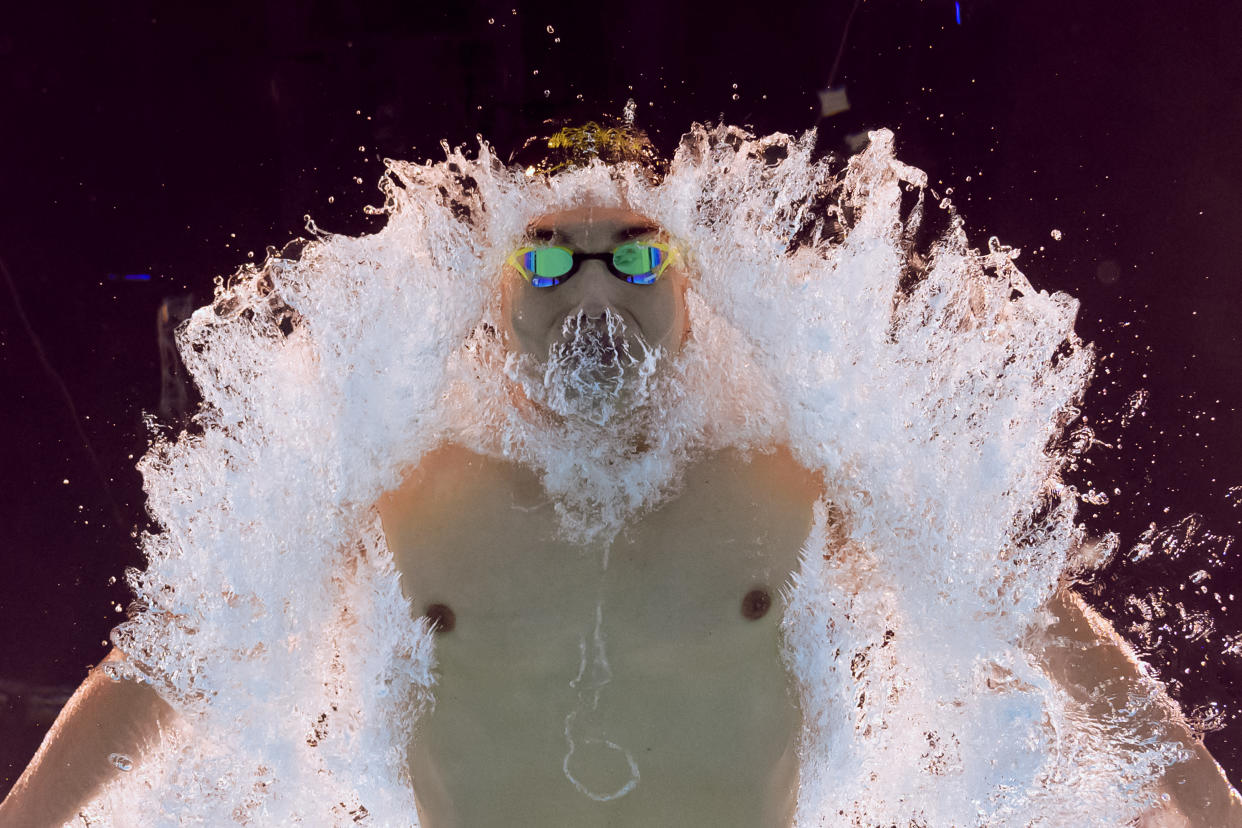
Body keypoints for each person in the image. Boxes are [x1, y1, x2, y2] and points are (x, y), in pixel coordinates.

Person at [3, 124, 1240, 827]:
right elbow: (178, 660)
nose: (594, 290)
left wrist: (1204, 800)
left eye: (633, 258)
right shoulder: (397, 486)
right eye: (548, 261)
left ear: (692, 292)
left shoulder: (794, 478)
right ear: (492, 297)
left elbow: (1028, 610)